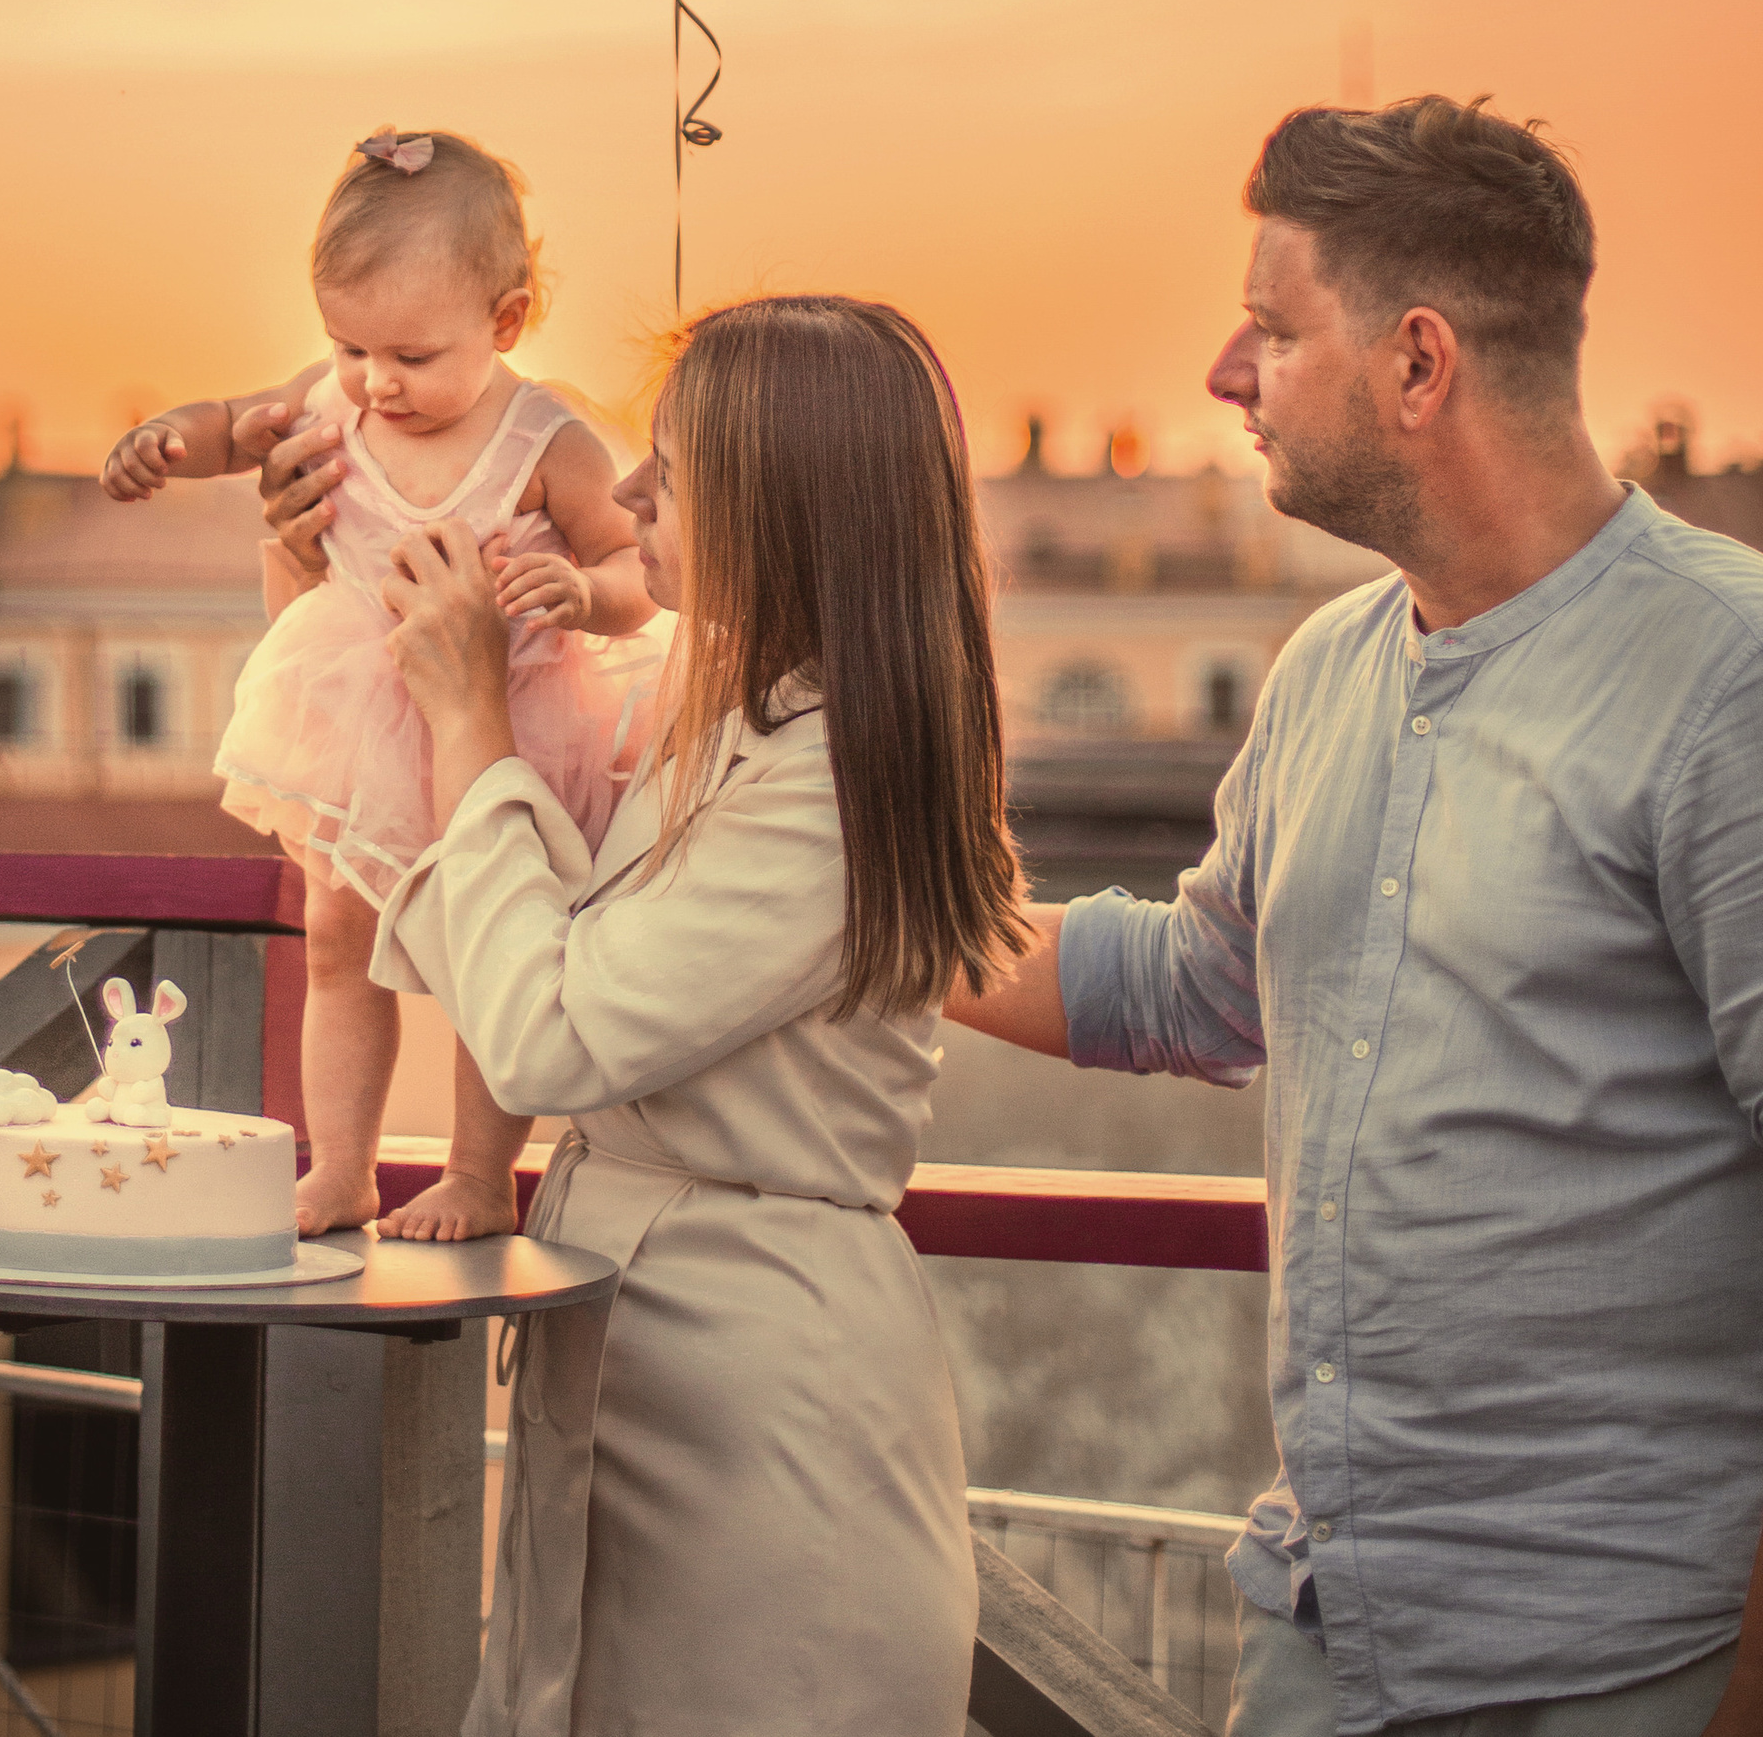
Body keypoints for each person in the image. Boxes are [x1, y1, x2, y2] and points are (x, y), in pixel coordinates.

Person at [951, 98, 1763, 1737]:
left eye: (1269, 325)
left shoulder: (1726, 681)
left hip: (1627, 1660)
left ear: (1416, 364)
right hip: (1328, 1632)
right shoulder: (1326, 669)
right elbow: (1196, 986)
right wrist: (849, 910)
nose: (1222, 374)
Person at [367, 292, 1026, 1737]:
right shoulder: (710, 698)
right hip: (636, 1331)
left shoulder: (831, 780)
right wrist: (315, 542)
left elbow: (545, 1036)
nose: (633, 493)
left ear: (780, 508)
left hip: (766, 1403)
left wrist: (475, 717)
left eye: (675, 466)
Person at [99, 128, 659, 1241]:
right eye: (348, 346)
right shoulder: (330, 401)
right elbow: (229, 423)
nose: (373, 381)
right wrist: (167, 438)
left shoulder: (545, 436)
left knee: (493, 954)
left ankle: (476, 1173)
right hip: (360, 715)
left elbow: (637, 568)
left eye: (409, 354)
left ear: (503, 323)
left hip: (504, 720)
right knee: (335, 940)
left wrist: (583, 592)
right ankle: (342, 1164)